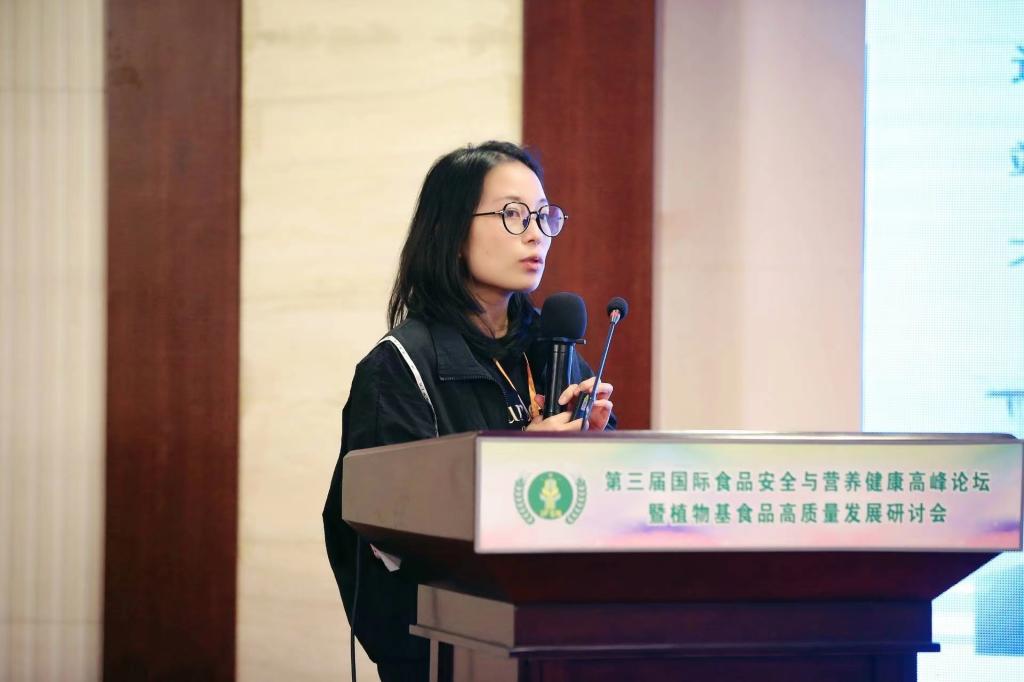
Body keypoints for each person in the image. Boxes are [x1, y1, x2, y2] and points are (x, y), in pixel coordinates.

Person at [323, 141, 615, 681]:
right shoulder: (400, 366)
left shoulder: (553, 352)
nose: (536, 234)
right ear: (452, 232)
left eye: (543, 216)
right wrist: (516, 464)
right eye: (513, 215)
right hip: (445, 650)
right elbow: (391, 531)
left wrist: (598, 446)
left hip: (557, 640)